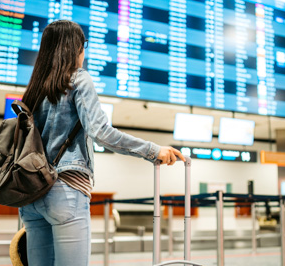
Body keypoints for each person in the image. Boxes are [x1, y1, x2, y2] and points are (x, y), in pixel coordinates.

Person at [19, 20, 185, 266]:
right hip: (65, 190)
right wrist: (153, 150)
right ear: (75, 48)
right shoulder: (77, 79)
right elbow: (101, 132)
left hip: (31, 196)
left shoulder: (33, 90)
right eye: (83, 46)